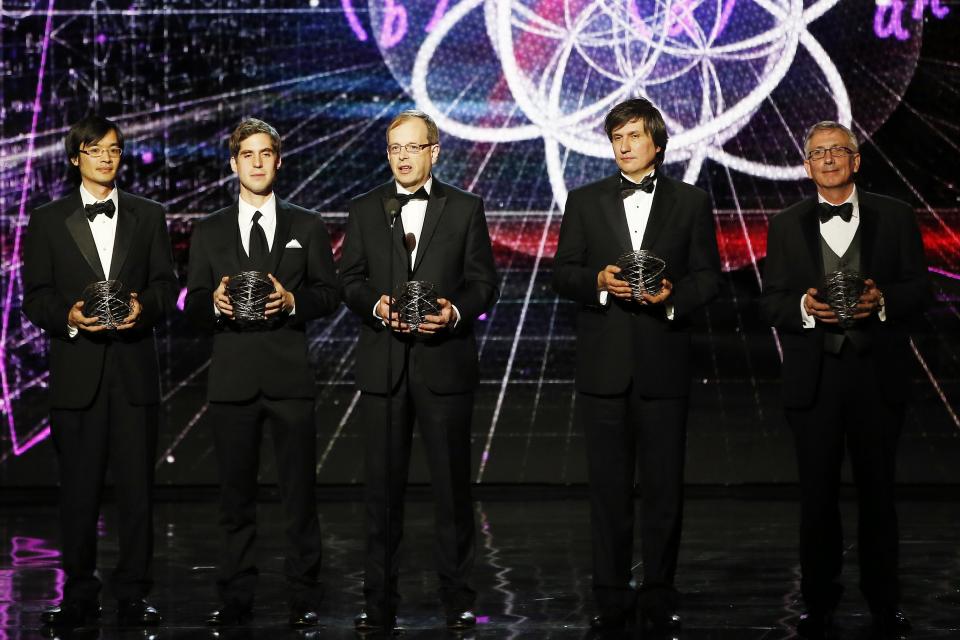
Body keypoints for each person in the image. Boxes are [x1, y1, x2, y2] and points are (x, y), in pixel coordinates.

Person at [552, 97, 721, 633]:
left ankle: (659, 591)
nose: (623, 146)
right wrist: (599, 283)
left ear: (657, 142)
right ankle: (609, 591)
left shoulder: (691, 202)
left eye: (633, 136)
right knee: (607, 489)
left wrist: (672, 297)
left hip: (663, 364)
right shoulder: (583, 201)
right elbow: (563, 274)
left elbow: (708, 278)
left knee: (665, 488)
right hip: (604, 368)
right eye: (616, 137)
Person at [760, 121, 930, 639]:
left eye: (838, 150)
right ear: (806, 165)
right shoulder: (785, 224)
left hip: (877, 376)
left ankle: (884, 602)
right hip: (814, 379)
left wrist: (884, 303)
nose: (828, 159)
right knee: (817, 499)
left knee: (879, 496)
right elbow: (771, 301)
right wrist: (805, 308)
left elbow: (920, 289)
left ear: (855, 160)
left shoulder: (897, 217)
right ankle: (818, 603)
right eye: (818, 152)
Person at [339, 109, 499, 631]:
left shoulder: (465, 208)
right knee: (381, 494)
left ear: (434, 151)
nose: (402, 157)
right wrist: (379, 307)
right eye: (394, 148)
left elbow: (483, 284)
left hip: (444, 366)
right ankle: (379, 602)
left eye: (412, 147)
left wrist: (453, 312)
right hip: (384, 367)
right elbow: (351, 281)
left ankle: (457, 600)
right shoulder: (365, 209)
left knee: (452, 491)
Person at [183, 118, 339, 628]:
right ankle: (235, 597)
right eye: (246, 154)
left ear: (279, 160)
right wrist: (217, 303)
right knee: (235, 499)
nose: (256, 162)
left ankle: (304, 597)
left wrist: (294, 300)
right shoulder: (207, 231)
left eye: (265, 153)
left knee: (299, 497)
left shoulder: (307, 225)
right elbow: (193, 305)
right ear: (233, 164)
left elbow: (328, 294)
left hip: (289, 377)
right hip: (232, 380)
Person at [22, 115, 177, 629]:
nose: (106, 157)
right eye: (94, 150)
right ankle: (79, 596)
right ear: (75, 158)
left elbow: (164, 287)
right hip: (77, 378)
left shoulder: (148, 215)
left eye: (113, 149)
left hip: (134, 375)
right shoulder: (47, 220)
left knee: (137, 493)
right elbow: (35, 298)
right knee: (79, 495)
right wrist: (68, 315)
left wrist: (144, 308)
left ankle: (134, 594)